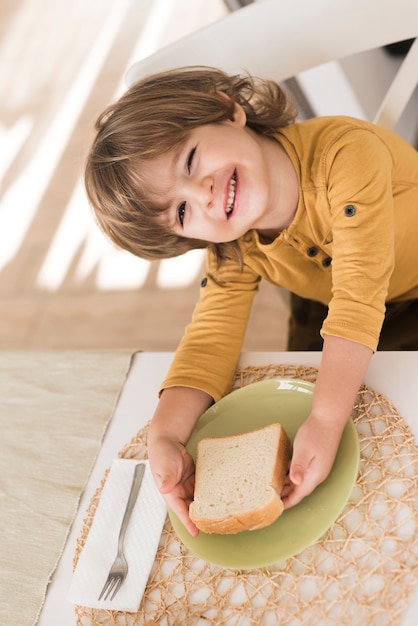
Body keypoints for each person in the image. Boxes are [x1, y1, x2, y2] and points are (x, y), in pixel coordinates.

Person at [85, 67, 418, 536]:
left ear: (228, 110)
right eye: (181, 212)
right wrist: (163, 436)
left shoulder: (347, 153)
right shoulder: (234, 245)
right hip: (332, 306)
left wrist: (325, 418)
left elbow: (360, 298)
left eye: (190, 160)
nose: (201, 195)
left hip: (381, 294)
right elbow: (209, 340)